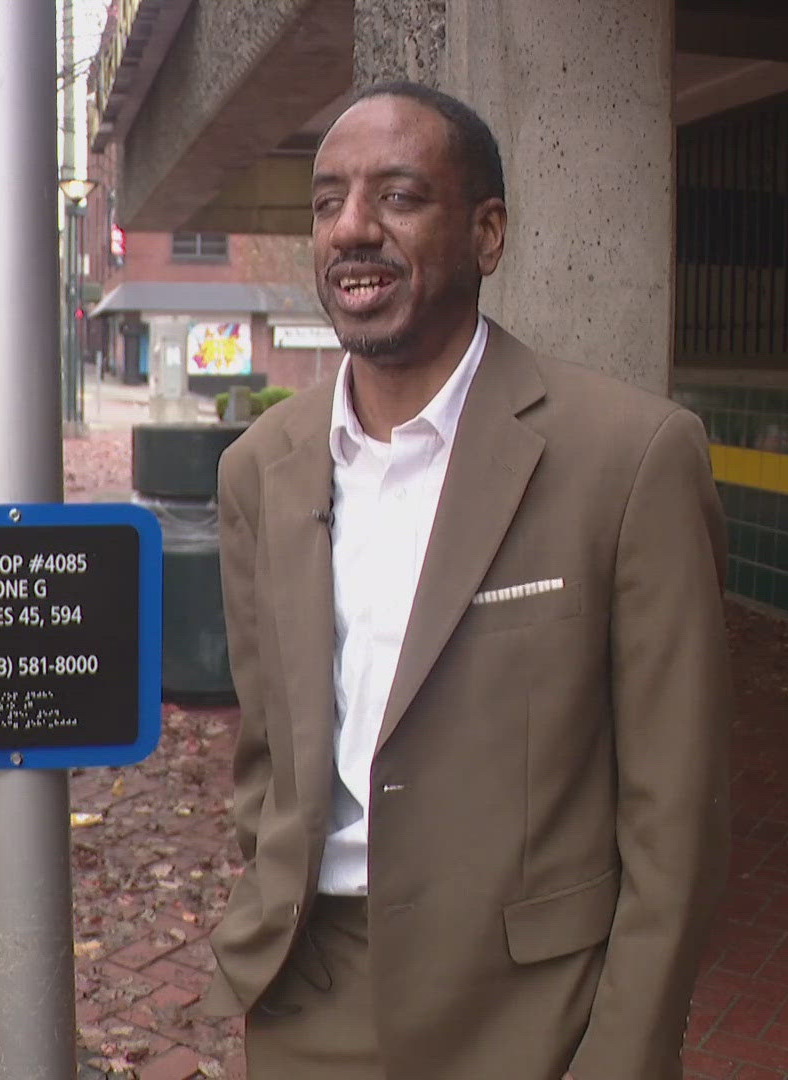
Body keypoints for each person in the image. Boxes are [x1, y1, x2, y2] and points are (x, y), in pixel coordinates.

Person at [203, 80, 732, 1079]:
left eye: (397, 196)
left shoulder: (629, 458)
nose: (352, 227)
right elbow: (268, 747)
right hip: (311, 1002)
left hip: (532, 1017)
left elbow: (679, 820)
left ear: (487, 234)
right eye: (327, 202)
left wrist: (621, 1055)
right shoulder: (257, 470)